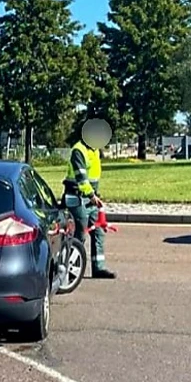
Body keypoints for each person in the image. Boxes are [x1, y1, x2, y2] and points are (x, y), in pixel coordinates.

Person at [63, 119, 117, 279]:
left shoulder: (94, 150)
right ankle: (68, 269)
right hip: (77, 198)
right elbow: (81, 178)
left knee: (99, 231)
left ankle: (98, 267)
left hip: (90, 198)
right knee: (79, 233)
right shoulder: (78, 150)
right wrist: (92, 196)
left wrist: (94, 196)